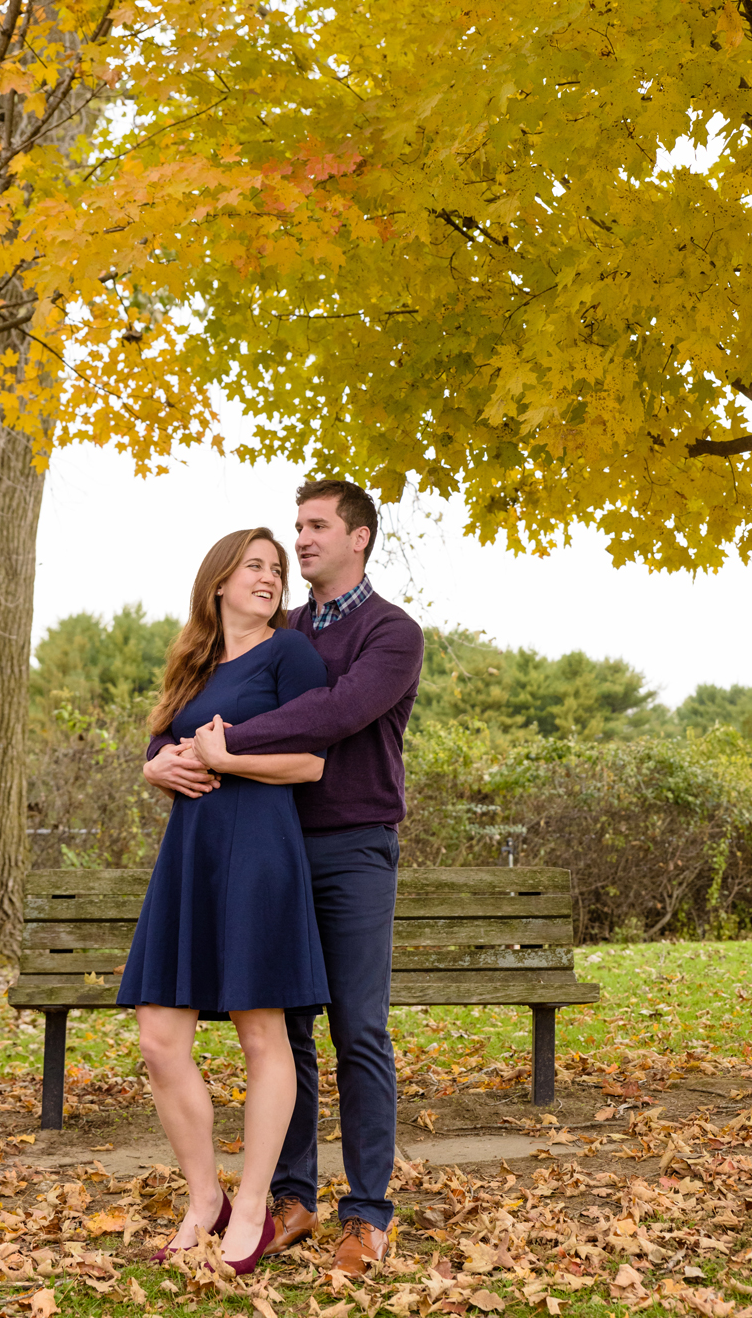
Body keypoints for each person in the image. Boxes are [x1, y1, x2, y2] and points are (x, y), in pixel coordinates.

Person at [157, 479, 425, 1275]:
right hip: (273, 851)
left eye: (316, 527)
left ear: (360, 537)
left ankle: (368, 1211)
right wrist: (172, 755)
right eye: (296, 527)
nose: (301, 540)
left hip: (352, 845)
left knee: (359, 1028)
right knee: (289, 1029)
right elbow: (205, 694)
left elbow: (337, 715)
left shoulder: (392, 632)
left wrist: (223, 741)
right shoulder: (288, 629)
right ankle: (294, 1194)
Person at [127, 528, 333, 1273]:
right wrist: (158, 768)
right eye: (255, 566)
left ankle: (252, 1205)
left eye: (277, 570)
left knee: (260, 1033)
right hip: (190, 859)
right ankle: (202, 1197)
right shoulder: (194, 661)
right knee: (158, 1036)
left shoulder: (290, 655)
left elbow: (311, 759)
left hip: (258, 854)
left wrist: (226, 757)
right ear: (218, 580)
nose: (270, 577)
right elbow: (157, 746)